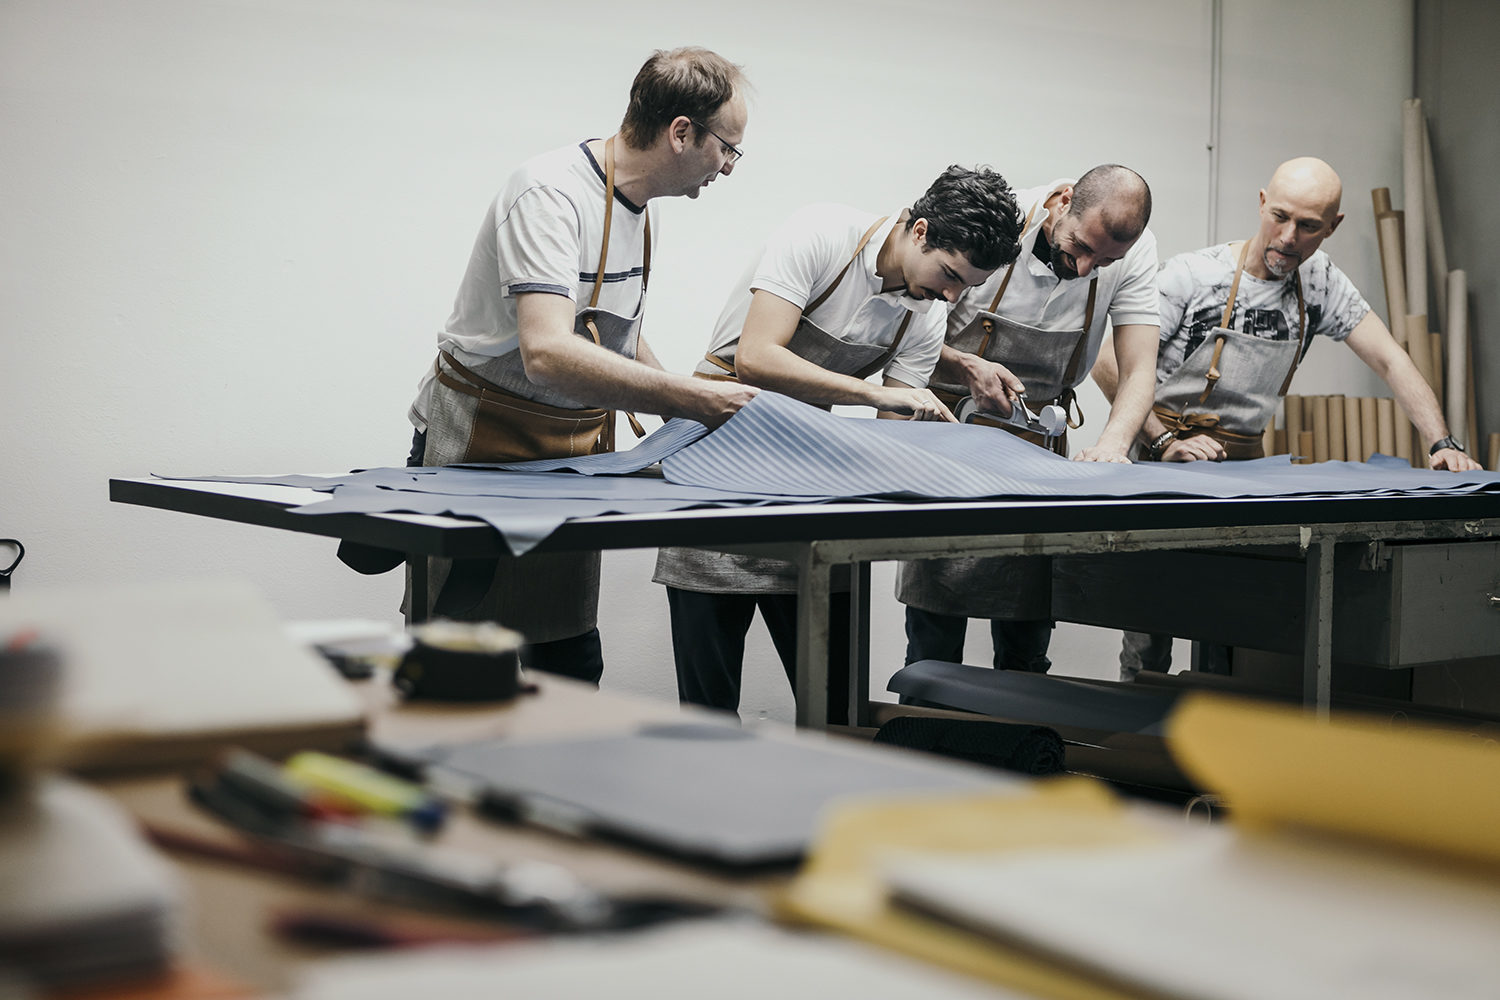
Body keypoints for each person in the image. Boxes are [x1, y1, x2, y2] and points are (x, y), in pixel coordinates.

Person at [400, 47, 759, 684]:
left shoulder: (640, 214)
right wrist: (686, 398)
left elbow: (618, 338)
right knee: (457, 664)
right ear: (681, 133)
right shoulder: (548, 192)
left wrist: (689, 427)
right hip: (487, 442)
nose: (729, 167)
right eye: (727, 147)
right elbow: (546, 354)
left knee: (568, 655)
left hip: (573, 451)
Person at [653, 166, 1024, 721]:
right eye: (949, 274)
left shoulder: (926, 314)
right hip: (719, 457)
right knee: (708, 708)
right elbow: (756, 356)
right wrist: (870, 394)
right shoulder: (821, 235)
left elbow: (891, 431)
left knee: (835, 707)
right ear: (919, 231)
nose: (951, 294)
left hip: (809, 482)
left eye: (966, 286)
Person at [1092, 155, 1482, 680]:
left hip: (1240, 472)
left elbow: (1392, 358)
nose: (1288, 236)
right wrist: (1163, 441)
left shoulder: (1319, 284)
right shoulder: (1194, 275)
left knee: (1231, 618)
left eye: (1308, 226)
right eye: (1279, 216)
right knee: (1150, 620)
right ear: (1260, 203)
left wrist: (1442, 443)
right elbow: (1107, 363)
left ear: (1333, 227)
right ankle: (1134, 739)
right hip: (1159, 458)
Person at [896, 165, 1160, 674]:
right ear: (1061, 202)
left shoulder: (1136, 252)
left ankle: (1019, 749)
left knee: (1027, 632)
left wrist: (1114, 444)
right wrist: (967, 365)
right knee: (934, 634)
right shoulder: (993, 221)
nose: (1086, 268)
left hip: (1038, 453)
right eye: (1081, 247)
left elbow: (1139, 367)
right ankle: (925, 740)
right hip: (950, 437)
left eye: (1106, 260)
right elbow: (910, 335)